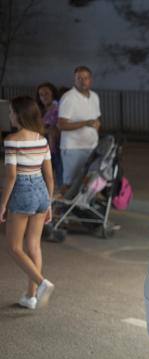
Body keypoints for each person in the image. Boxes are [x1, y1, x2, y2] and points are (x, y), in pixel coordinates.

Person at [1, 96, 56, 309]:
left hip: (22, 192)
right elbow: (50, 176)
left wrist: (2, 204)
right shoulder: (41, 140)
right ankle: (31, 297)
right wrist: (49, 203)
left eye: (11, 112)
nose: (9, 115)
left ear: (19, 114)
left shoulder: (11, 141)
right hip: (42, 191)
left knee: (14, 247)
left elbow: (12, 177)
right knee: (34, 245)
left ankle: (42, 283)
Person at [58, 65, 101, 191]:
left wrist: (97, 126)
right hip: (73, 148)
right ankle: (63, 209)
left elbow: (96, 119)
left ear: (90, 79)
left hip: (92, 146)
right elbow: (61, 124)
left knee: (87, 181)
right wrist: (85, 123)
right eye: (79, 78)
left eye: (86, 78)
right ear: (74, 80)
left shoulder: (94, 96)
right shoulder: (68, 98)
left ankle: (78, 208)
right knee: (70, 182)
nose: (83, 81)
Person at [36, 82, 62, 187]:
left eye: (46, 93)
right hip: (43, 148)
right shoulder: (39, 110)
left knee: (60, 173)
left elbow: (57, 127)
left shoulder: (58, 107)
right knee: (44, 176)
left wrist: (46, 130)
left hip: (57, 146)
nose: (44, 97)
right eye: (41, 95)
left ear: (53, 93)